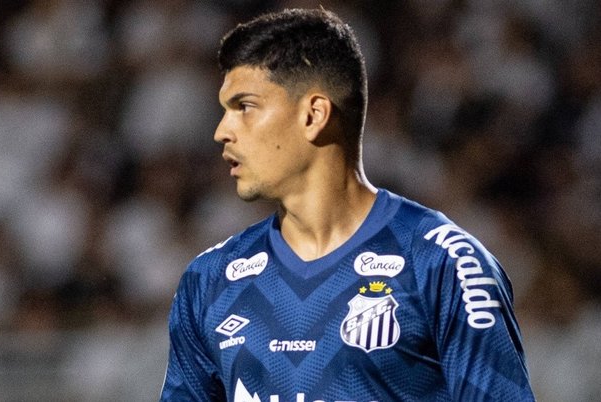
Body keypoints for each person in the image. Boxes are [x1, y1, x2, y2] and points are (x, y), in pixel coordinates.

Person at [160, 8, 535, 402]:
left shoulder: (442, 264)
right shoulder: (209, 280)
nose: (222, 131)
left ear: (314, 115)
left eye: (245, 107)